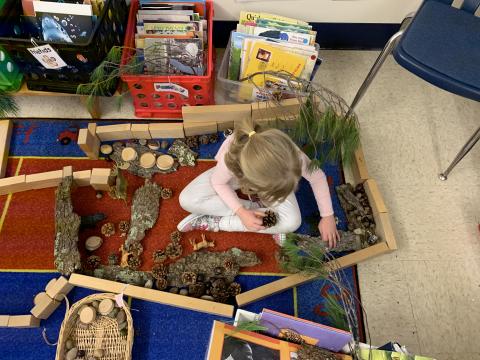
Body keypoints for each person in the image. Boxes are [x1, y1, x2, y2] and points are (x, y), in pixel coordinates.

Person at [177, 119, 339, 248]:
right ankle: (220, 221)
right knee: (187, 199)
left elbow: (317, 177)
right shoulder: (230, 162)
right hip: (238, 173)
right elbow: (218, 183)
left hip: (267, 175)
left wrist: (327, 215)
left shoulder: (291, 156)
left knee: (293, 222)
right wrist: (241, 211)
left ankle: (223, 220)